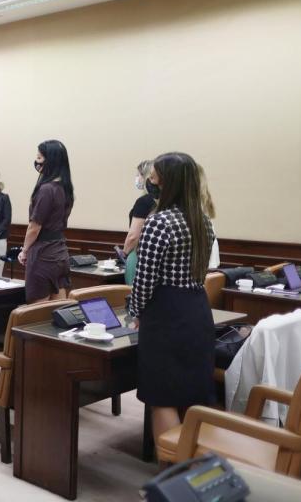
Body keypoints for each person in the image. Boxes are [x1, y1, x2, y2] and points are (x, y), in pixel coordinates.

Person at [126, 152, 216, 447]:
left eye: (152, 179)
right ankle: (190, 472)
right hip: (197, 309)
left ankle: (169, 477)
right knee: (191, 394)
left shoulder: (159, 223)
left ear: (168, 183)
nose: (149, 184)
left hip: (165, 315)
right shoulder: (204, 221)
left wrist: (133, 312)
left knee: (161, 396)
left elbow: (144, 281)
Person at [18, 140, 74, 302]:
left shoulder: (46, 189)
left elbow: (34, 227)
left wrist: (25, 250)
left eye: (39, 158)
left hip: (43, 253)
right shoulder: (65, 187)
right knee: (59, 309)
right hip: (60, 252)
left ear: (51, 161)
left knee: (37, 315)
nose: (37, 162)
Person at [123, 160, 157, 285]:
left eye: (139, 175)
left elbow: (133, 236)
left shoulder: (144, 201)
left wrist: (124, 254)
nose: (137, 179)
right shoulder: (164, 201)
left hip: (138, 254)